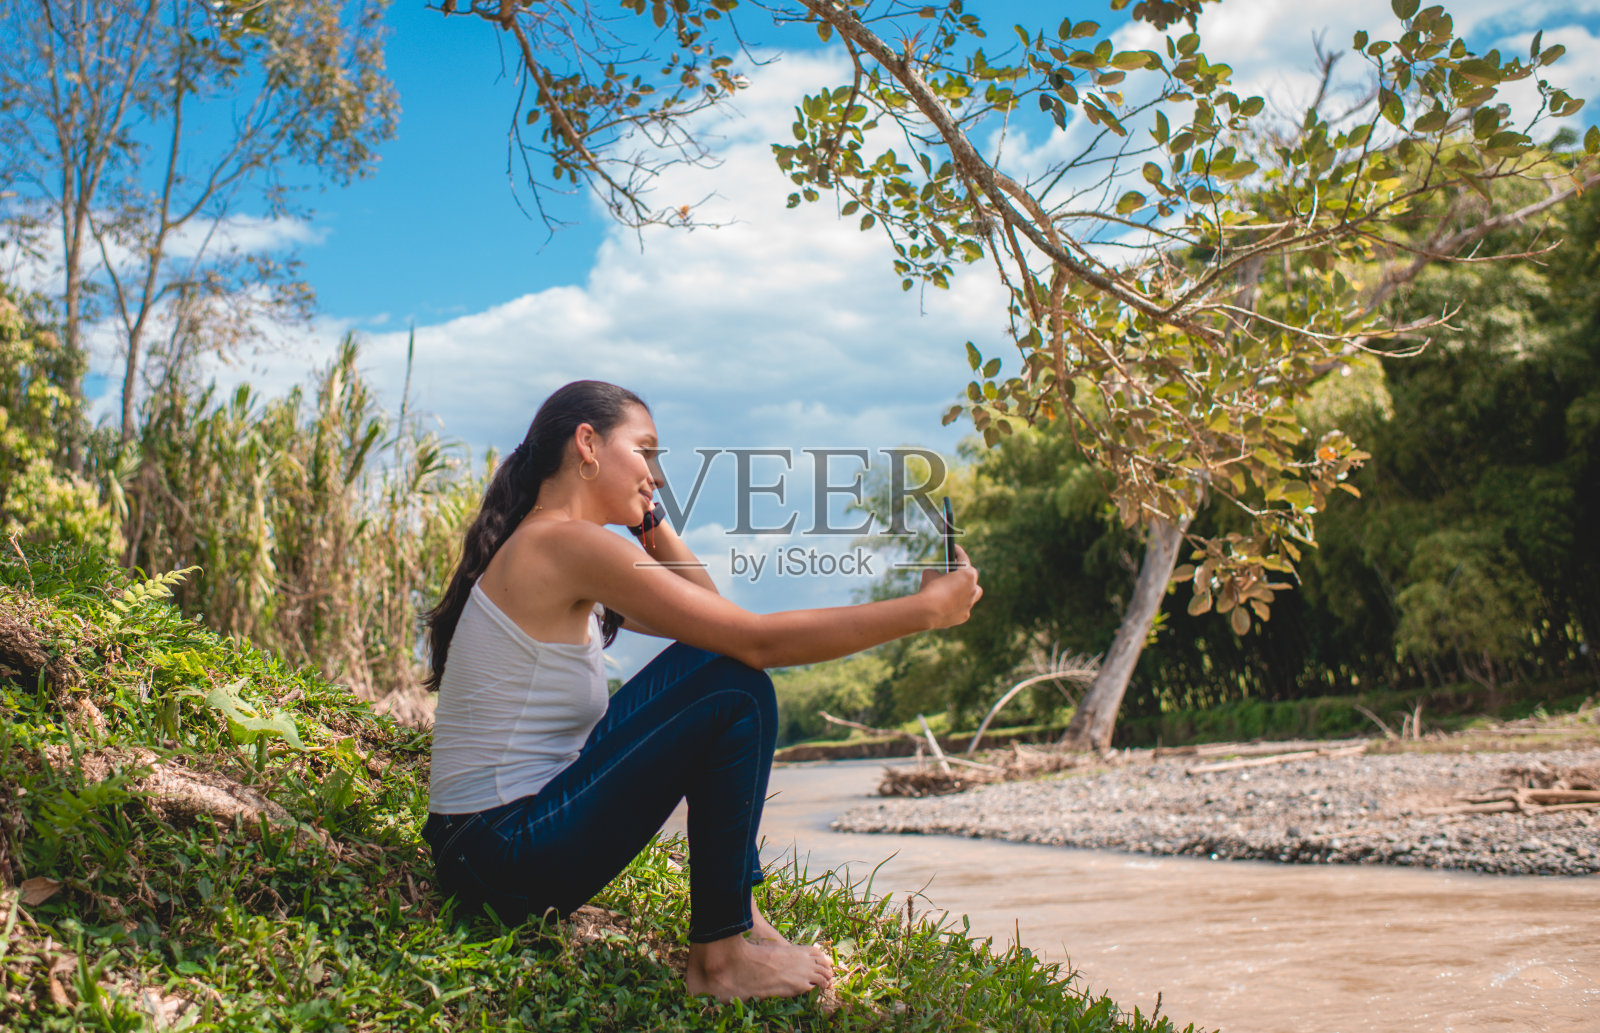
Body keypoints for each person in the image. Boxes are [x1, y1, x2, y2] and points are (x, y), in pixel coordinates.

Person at [420, 380, 982, 1002]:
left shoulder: (554, 546)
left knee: (727, 675)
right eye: (646, 451)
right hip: (499, 855)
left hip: (485, 851)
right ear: (587, 444)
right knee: (736, 689)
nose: (657, 477)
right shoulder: (562, 543)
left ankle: (737, 921)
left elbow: (714, 623)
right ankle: (720, 960)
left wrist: (653, 527)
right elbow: (755, 644)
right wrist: (923, 611)